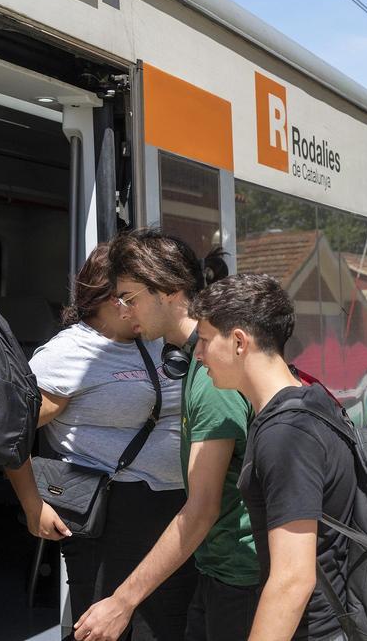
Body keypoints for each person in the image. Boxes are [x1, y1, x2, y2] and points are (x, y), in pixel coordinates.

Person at [74, 229, 258, 641]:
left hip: (238, 578)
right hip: (217, 568)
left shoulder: (213, 377)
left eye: (130, 298)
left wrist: (121, 602)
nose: (123, 311)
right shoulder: (196, 359)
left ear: (171, 291)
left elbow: (201, 508)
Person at [23, 243, 195, 637]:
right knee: (110, 626)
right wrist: (33, 505)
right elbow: (9, 434)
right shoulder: (68, 354)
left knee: (169, 624)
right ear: (105, 295)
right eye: (128, 295)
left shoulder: (155, 340)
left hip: (174, 507)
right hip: (112, 513)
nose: (134, 306)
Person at [192, 273, 357, 641]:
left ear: (238, 342)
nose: (198, 355)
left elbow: (292, 579)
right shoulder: (311, 401)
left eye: (203, 341)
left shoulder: (287, 435)